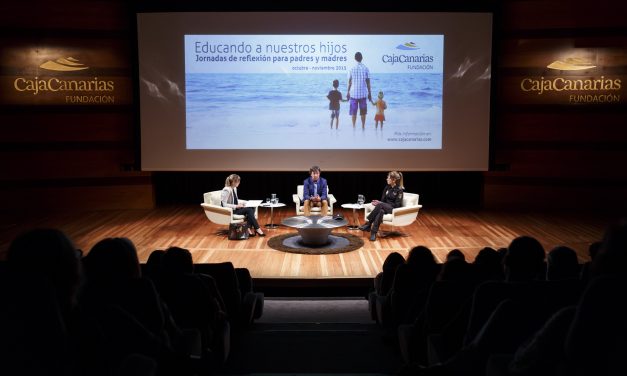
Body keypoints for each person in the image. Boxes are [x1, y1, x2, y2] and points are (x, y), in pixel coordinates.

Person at [359, 171, 404, 241]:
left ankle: (368, 224)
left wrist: (383, 204)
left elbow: (397, 205)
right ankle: (373, 233)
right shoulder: (387, 187)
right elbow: (383, 200)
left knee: (380, 205)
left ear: (393, 180)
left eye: (388, 178)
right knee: (381, 211)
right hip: (384, 207)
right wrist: (382, 204)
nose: (387, 179)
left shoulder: (399, 190)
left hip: (393, 209)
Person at [346, 52, 372, 129]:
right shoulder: (366, 68)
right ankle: (363, 127)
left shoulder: (351, 69)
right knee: (363, 112)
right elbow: (368, 83)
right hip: (363, 94)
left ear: (355, 58)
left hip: (353, 94)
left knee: (354, 112)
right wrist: (370, 93)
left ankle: (354, 127)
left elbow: (350, 82)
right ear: (362, 58)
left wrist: (347, 92)